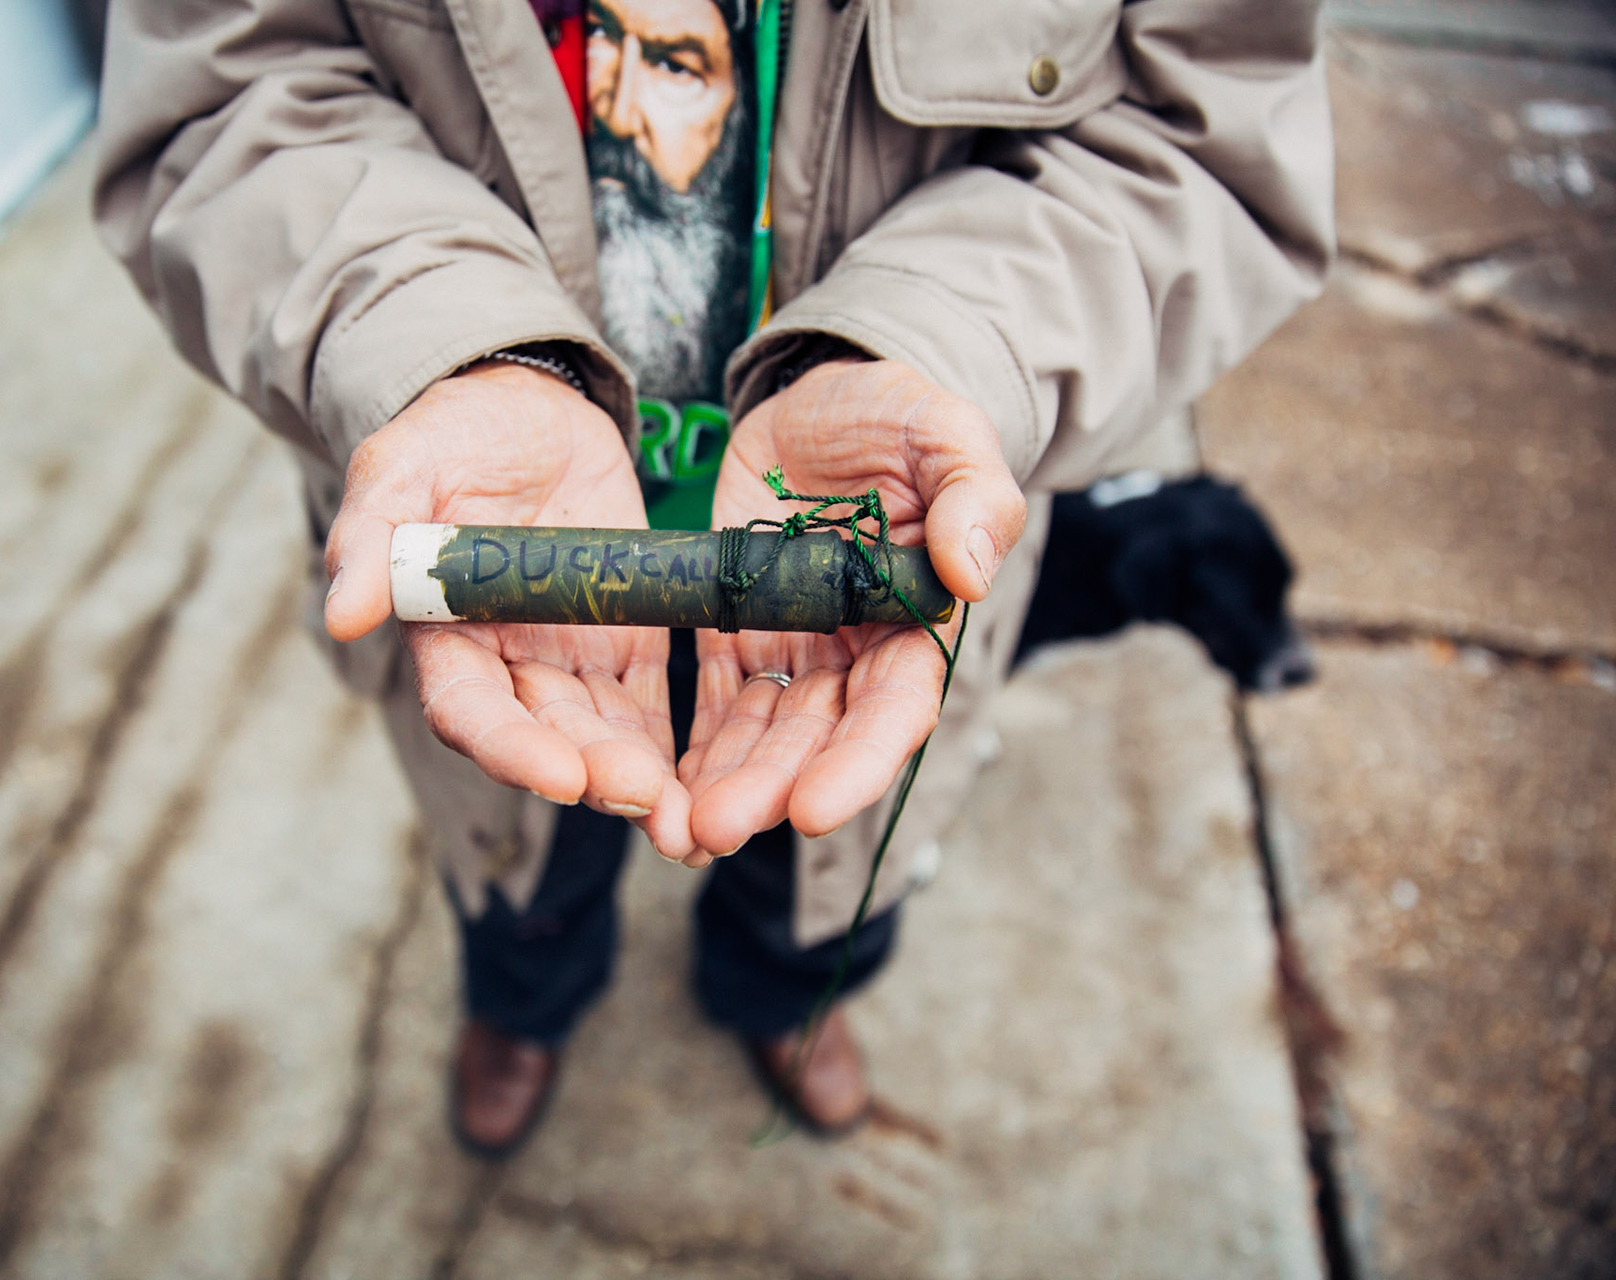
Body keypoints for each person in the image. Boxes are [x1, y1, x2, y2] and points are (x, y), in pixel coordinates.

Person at [94, 0, 1333, 1154]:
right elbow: (230, 89)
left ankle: (786, 999)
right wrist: (433, 346)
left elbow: (1199, 137)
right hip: (510, 573)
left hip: (852, 535)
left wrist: (944, 345)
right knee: (520, 849)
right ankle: (525, 1008)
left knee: (825, 855)